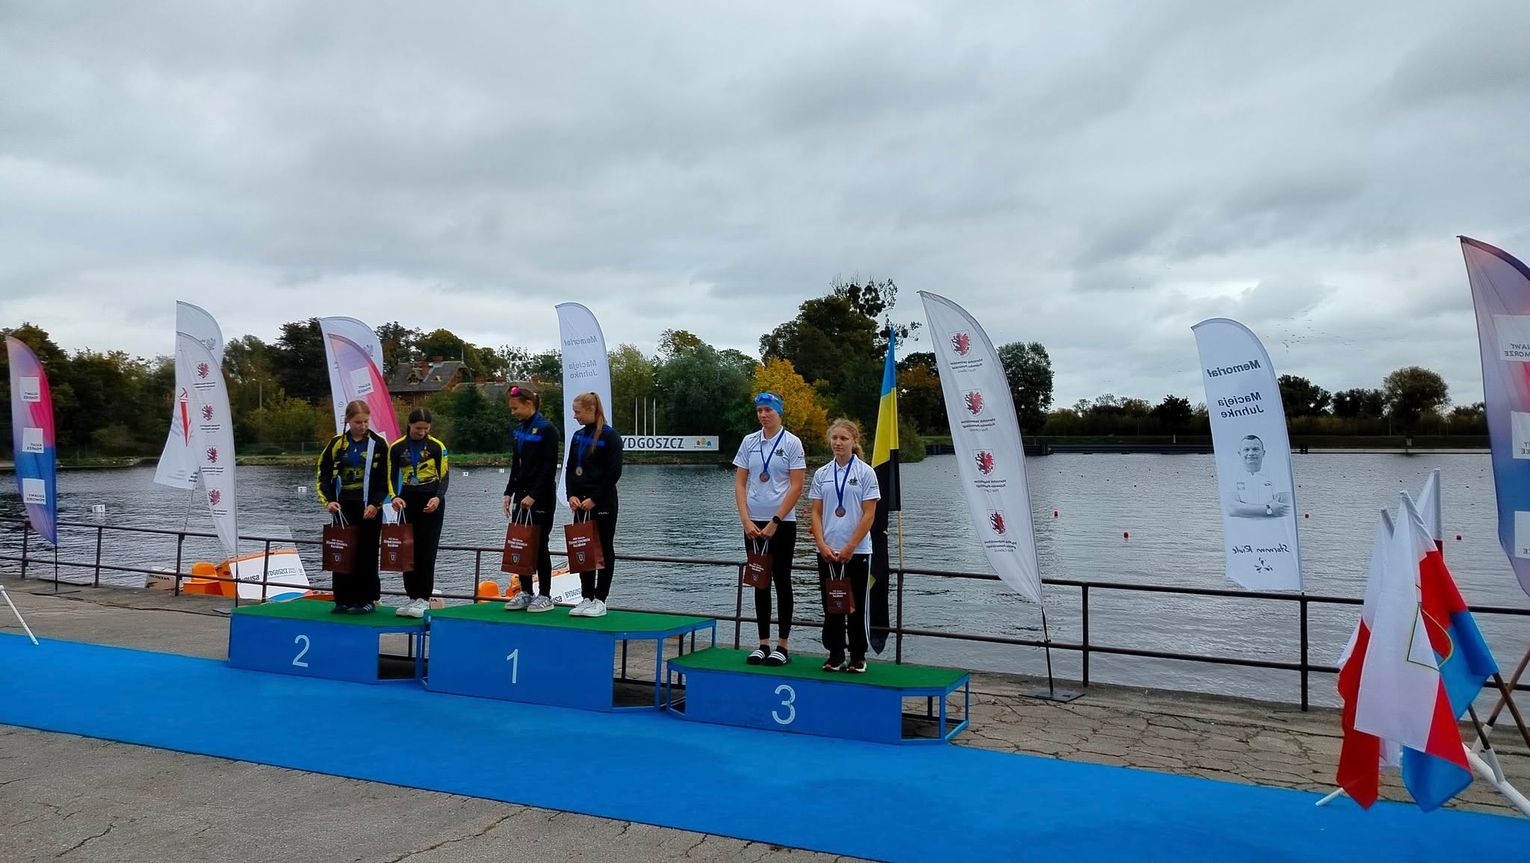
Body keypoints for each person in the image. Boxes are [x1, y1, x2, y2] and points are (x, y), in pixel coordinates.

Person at [733, 392, 806, 666]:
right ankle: (762, 643)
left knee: (782, 580)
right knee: (759, 580)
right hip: (753, 523)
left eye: (768, 410)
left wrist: (776, 520)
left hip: (782, 523)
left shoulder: (792, 443)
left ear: (779, 412)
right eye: (760, 410)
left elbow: (797, 486)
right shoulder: (749, 442)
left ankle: (782, 645)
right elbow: (740, 483)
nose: (763, 415)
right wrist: (745, 520)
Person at [809, 418, 880, 673]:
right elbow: (816, 512)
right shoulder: (822, 474)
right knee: (832, 605)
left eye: (843, 438)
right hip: (828, 550)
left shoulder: (865, 473)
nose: (838, 443)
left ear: (854, 441)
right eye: (835, 438)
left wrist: (851, 546)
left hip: (857, 551)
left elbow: (869, 514)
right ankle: (835, 654)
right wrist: (821, 544)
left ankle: (858, 656)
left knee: (856, 606)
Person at [315, 400, 389, 614]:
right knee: (341, 551)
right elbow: (323, 474)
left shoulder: (378, 444)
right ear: (348, 420)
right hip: (343, 507)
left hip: (369, 509)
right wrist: (328, 501)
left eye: (366, 421)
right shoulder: (337, 444)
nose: (362, 426)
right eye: (358, 422)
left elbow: (386, 478)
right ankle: (342, 599)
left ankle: (367, 599)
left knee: (367, 553)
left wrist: (376, 503)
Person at [387, 408, 449, 618]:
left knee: (426, 551)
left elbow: (444, 477)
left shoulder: (437, 446)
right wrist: (394, 497)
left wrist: (438, 497)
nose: (421, 432)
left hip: (431, 501)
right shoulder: (397, 447)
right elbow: (390, 476)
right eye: (418, 428)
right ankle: (412, 597)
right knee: (407, 551)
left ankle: (423, 597)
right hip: (407, 501)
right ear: (409, 424)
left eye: (425, 429)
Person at [502, 385, 559, 613]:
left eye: (515, 408)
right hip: (521, 494)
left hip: (541, 496)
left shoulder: (547, 429)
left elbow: (548, 468)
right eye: (511, 408)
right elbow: (516, 464)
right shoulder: (519, 430)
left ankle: (545, 595)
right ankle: (526, 591)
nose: (513, 412)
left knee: (539, 545)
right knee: (520, 542)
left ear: (529, 404)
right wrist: (509, 492)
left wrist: (534, 495)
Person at [565, 391, 623, 617]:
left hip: (602, 502)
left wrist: (595, 499)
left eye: (578, 412)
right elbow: (570, 468)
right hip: (580, 504)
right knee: (583, 549)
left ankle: (600, 599)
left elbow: (614, 472)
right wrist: (571, 495)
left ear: (591, 410)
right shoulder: (578, 435)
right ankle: (586, 597)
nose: (575, 416)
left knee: (604, 549)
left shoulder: (610, 436)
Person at [1227, 434, 1291, 518]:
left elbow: (1284, 508)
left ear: (1263, 453)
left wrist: (1244, 508)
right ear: (1240, 453)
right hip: (1242, 526)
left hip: (1272, 525)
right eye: (1246, 449)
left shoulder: (1277, 475)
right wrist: (1269, 508)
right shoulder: (1231, 477)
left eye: (1255, 449)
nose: (1251, 453)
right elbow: (1232, 509)